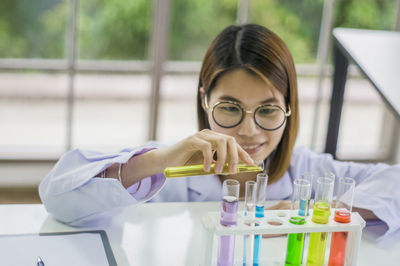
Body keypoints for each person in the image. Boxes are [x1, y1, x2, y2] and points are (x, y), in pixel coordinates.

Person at [39, 24, 399, 240]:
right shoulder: (167, 169)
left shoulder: (309, 173)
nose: (249, 130)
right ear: (204, 101)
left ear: (289, 108)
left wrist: (321, 210)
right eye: (229, 108)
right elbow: (58, 198)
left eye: (268, 110)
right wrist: (158, 162)